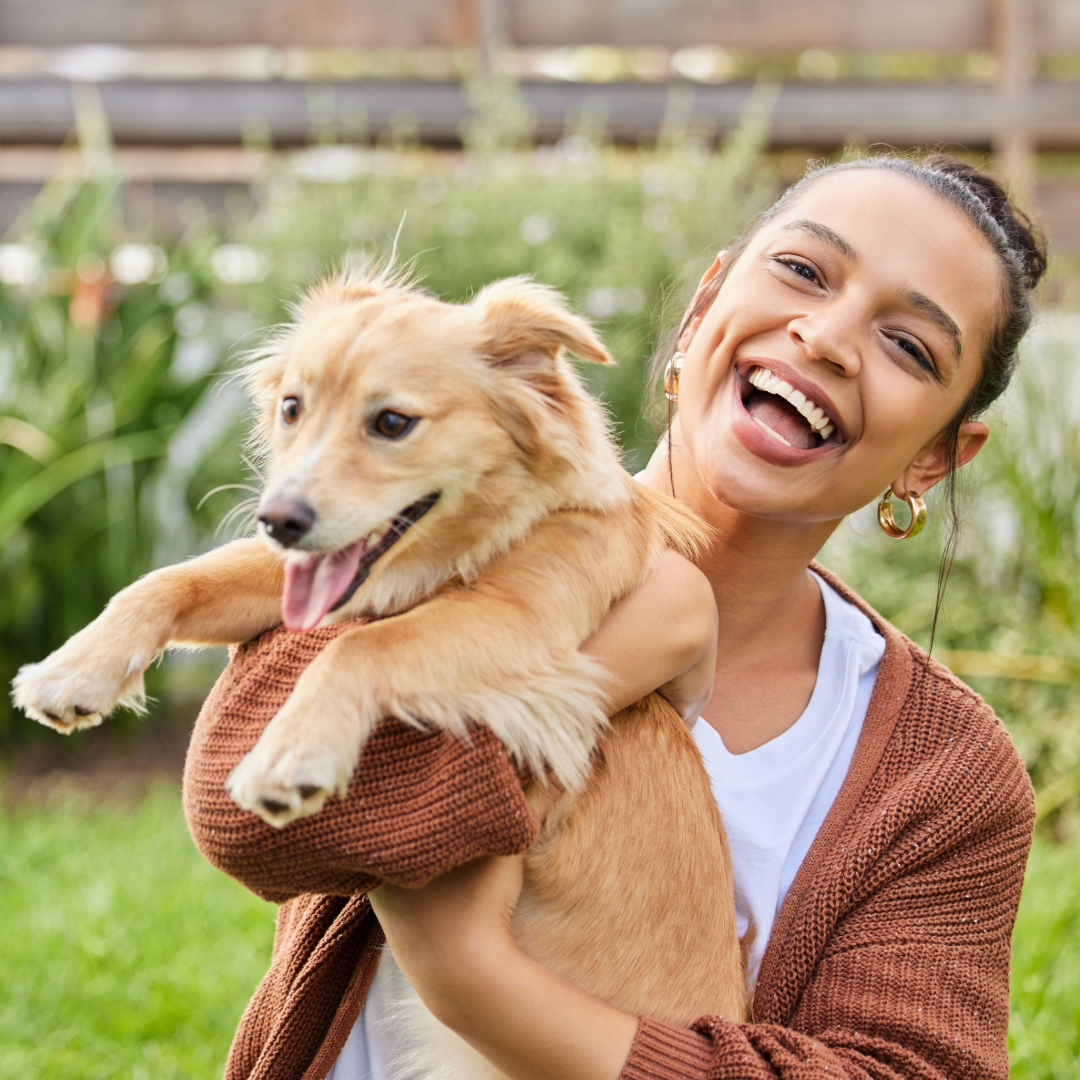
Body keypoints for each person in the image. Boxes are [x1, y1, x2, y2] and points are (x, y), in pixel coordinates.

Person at [184, 152, 1043, 1080]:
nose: (828, 337)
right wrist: (626, 651)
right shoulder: (420, 533)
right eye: (802, 270)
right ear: (701, 309)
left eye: (910, 345)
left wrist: (474, 977)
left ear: (936, 460)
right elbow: (254, 819)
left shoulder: (946, 775)